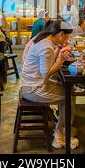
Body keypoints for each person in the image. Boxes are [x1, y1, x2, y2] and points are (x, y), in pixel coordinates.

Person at [20, 20, 78, 149]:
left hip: (29, 84)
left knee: (66, 89)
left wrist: (58, 51)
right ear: (61, 34)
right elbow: (46, 73)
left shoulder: (44, 39)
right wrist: (61, 60)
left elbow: (47, 64)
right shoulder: (45, 46)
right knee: (69, 95)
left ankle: (63, 127)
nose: (67, 39)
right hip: (33, 89)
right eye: (67, 36)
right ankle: (60, 134)